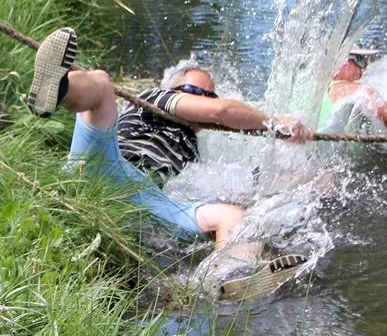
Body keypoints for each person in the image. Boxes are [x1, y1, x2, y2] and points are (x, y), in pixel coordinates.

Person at [25, 27, 312, 245]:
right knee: (101, 82)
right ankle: (58, 90)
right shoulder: (153, 98)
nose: (201, 99)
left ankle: (230, 277)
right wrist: (276, 123)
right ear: (171, 89)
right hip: (105, 165)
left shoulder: (192, 147)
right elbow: (222, 111)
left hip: (147, 198)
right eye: (192, 91)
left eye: (207, 94)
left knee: (231, 216)